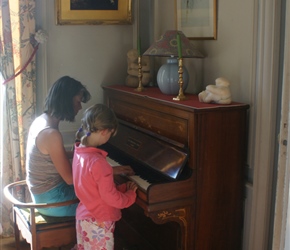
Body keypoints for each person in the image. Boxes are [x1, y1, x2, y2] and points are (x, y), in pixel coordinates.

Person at [72, 104, 138, 250]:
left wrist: (119, 185)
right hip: (99, 222)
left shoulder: (80, 151)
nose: (110, 137)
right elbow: (111, 198)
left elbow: (91, 180)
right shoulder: (99, 163)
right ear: (104, 131)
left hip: (84, 216)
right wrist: (130, 196)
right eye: (111, 134)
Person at [25, 76, 91, 217]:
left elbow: (52, 156)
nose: (80, 107)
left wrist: (85, 155)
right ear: (66, 100)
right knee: (102, 199)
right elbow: (70, 179)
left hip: (41, 194)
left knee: (100, 191)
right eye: (78, 101)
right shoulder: (51, 133)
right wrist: (108, 172)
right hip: (52, 201)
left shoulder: (42, 120)